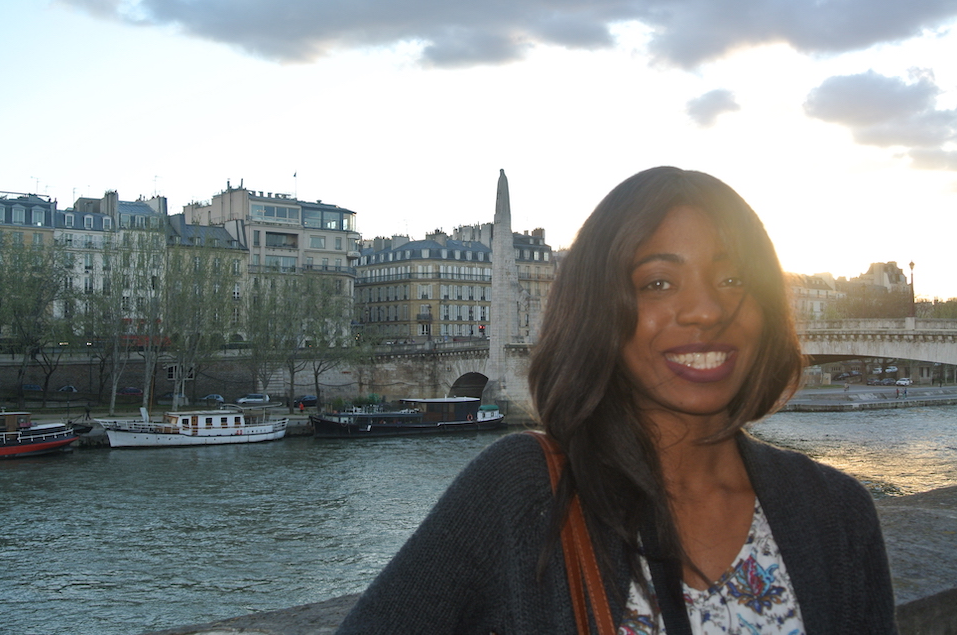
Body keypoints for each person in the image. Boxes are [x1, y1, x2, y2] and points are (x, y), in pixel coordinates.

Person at [336, 167, 897, 634]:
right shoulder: (522, 492)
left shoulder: (838, 514)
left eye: (732, 281)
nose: (704, 310)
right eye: (658, 282)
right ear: (598, 308)